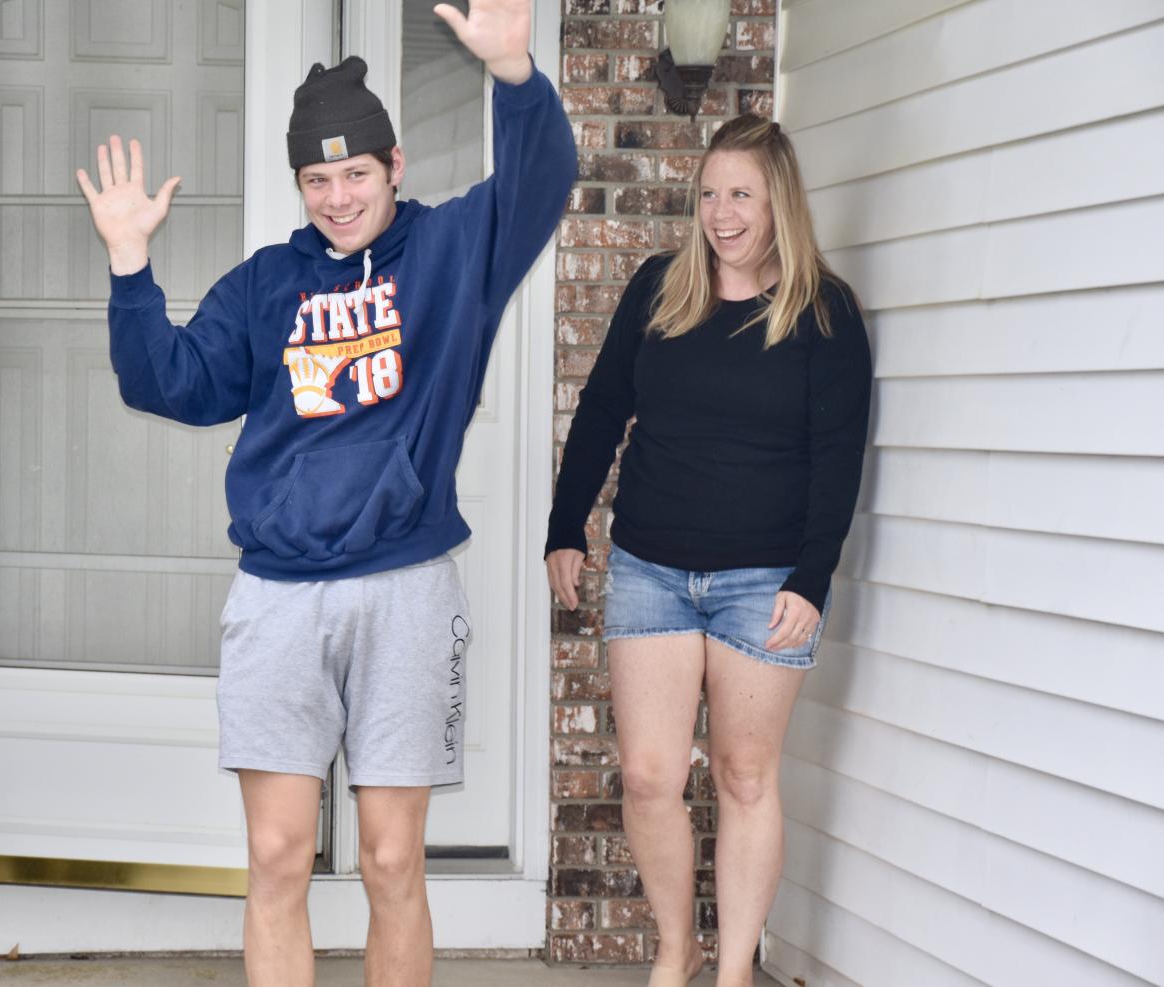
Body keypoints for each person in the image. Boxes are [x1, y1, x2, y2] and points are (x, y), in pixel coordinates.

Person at [76, 1, 575, 983]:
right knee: (274, 859)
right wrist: (130, 264)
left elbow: (542, 182)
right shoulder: (267, 285)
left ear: (394, 166)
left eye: (355, 173)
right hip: (279, 597)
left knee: (393, 862)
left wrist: (516, 76)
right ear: (298, 183)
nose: (338, 196)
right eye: (317, 178)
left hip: (404, 591)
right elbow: (167, 381)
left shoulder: (445, 257)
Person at [544, 114, 871, 987]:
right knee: (650, 776)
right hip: (651, 566)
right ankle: (674, 946)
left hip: (766, 579)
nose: (721, 213)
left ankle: (729, 972)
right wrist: (563, 525)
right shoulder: (661, 287)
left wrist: (812, 575)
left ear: (779, 203)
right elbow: (604, 409)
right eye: (709, 194)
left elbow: (839, 457)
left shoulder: (823, 313)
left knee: (742, 773)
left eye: (741, 194)